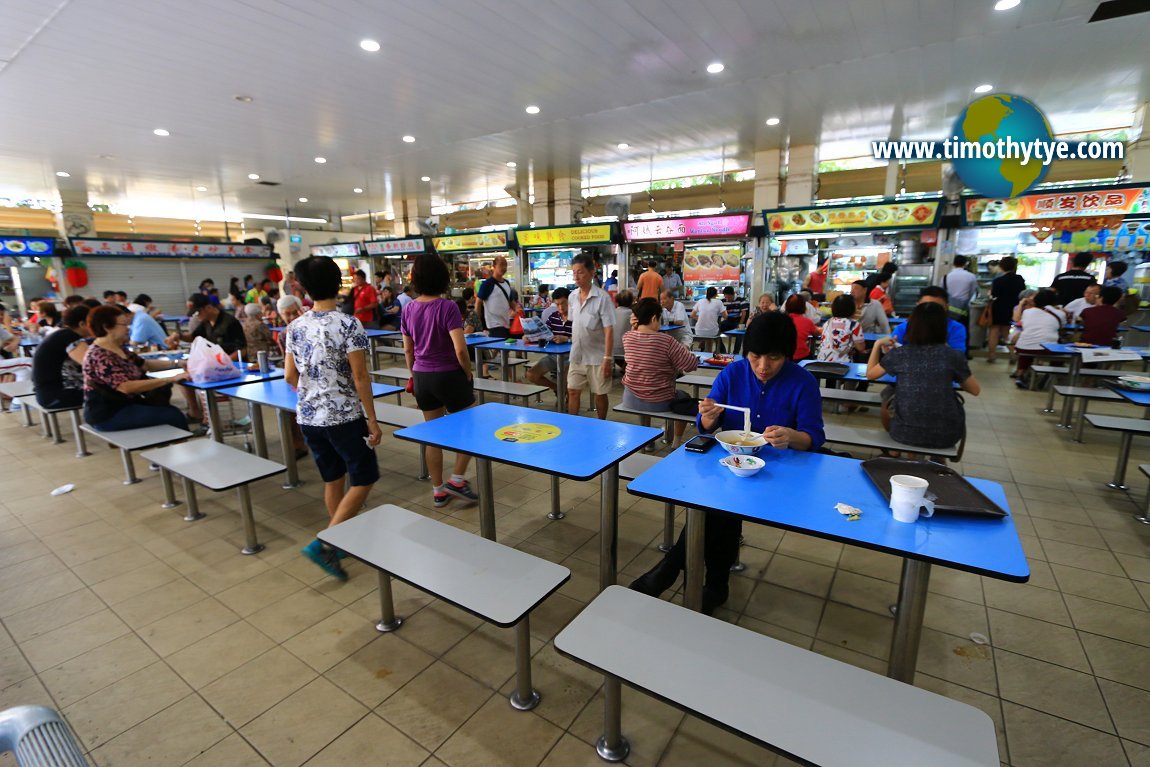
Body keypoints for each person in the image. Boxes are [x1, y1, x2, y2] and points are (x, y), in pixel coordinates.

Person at [629, 312, 825, 614]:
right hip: (730, 465)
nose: (762, 366)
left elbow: (814, 437)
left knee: (715, 510)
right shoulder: (733, 374)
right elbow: (706, 423)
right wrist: (707, 418)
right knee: (717, 508)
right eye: (755, 356)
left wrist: (792, 437)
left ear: (787, 354)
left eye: (773, 358)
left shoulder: (803, 382)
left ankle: (672, 570)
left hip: (779, 472)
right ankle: (715, 584)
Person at [286, 256, 382, 581]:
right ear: (338, 284)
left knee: (333, 477)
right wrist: (372, 418)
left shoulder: (295, 326)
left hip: (309, 418)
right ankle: (325, 543)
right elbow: (360, 375)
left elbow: (290, 376)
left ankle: (338, 540)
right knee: (365, 477)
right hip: (344, 417)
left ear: (304, 287)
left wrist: (315, 393)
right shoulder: (348, 324)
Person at [400, 252, 480, 508]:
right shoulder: (447, 307)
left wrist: (414, 374)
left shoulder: (409, 308)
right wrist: (467, 373)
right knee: (470, 427)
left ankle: (438, 490)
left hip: (422, 376)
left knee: (431, 434)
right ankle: (457, 479)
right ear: (443, 277)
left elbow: (408, 350)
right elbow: (460, 349)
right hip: (449, 375)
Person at [867, 302, 979, 450]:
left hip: (903, 432)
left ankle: (895, 453)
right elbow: (975, 390)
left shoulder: (901, 353)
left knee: (889, 397)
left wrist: (877, 345)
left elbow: (870, 375)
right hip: (945, 436)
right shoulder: (953, 356)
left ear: (912, 325)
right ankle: (934, 460)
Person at [82, 305, 188, 431]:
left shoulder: (118, 347)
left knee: (169, 411)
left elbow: (145, 364)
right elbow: (126, 387)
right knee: (173, 416)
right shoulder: (99, 355)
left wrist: (178, 363)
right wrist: (170, 379)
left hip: (125, 405)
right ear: (106, 327)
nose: (128, 329)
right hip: (108, 413)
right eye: (124, 325)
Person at [622, 298, 700, 447]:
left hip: (630, 397)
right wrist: (686, 352)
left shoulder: (627, 337)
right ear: (653, 318)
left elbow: (638, 342)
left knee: (644, 393)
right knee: (685, 397)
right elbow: (689, 365)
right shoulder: (666, 341)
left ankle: (647, 443)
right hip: (659, 401)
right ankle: (676, 443)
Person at [567, 253, 615, 419]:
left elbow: (609, 329)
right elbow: (574, 324)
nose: (576, 276)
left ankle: (601, 423)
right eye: (574, 272)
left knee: (599, 394)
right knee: (572, 390)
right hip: (577, 355)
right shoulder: (572, 297)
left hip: (597, 357)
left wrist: (607, 358)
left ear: (591, 273)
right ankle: (572, 423)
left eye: (580, 272)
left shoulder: (602, 298)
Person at [32, 305, 90, 409]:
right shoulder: (70, 337)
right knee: (116, 393)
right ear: (82, 324)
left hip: (47, 395)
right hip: (57, 396)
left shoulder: (61, 334)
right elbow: (92, 365)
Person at [1011, 290, 1065, 386]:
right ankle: (1051, 375)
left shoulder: (1027, 312)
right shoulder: (1060, 313)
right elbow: (1061, 327)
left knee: (1029, 346)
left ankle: (1020, 374)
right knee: (1060, 350)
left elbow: (1018, 321)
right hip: (1047, 349)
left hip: (1022, 348)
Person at [890, 286, 967, 353]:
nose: (930, 311)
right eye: (925, 306)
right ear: (917, 305)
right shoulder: (903, 328)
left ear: (947, 307)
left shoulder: (956, 328)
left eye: (937, 307)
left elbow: (958, 357)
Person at [167, 294, 246, 359]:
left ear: (208, 308)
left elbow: (242, 350)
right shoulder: (206, 322)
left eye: (197, 313)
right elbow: (193, 337)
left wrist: (225, 361)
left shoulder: (230, 322)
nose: (196, 316)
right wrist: (178, 335)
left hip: (232, 365)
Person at [526, 287, 571, 395]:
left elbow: (584, 338)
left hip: (572, 357)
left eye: (563, 303)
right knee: (531, 375)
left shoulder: (578, 317)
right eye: (557, 304)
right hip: (554, 356)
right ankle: (558, 389)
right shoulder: (553, 317)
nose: (561, 307)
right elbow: (545, 333)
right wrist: (529, 336)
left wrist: (567, 339)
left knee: (566, 380)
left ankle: (564, 396)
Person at [986, 256, 1028, 363]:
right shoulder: (1019, 279)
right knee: (1006, 332)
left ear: (1001, 267)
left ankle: (992, 355)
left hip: (998, 307)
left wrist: (989, 294)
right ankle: (1013, 355)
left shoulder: (998, 280)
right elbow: (1022, 294)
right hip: (1012, 308)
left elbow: (994, 295)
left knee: (994, 331)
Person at [477, 256, 518, 338]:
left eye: (506, 265)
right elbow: (478, 303)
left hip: (506, 322)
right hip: (493, 324)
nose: (504, 267)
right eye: (501, 265)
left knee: (506, 347)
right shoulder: (487, 284)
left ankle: (490, 350)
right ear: (494, 266)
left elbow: (510, 301)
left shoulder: (506, 283)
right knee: (502, 346)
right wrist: (478, 322)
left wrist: (518, 310)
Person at [817, 295, 865, 363]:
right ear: (851, 308)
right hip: (842, 364)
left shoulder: (827, 322)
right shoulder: (853, 324)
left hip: (822, 361)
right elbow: (861, 348)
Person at [942, 255, 978, 333]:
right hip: (963, 308)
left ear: (953, 263)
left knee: (947, 328)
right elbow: (972, 293)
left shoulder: (945, 277)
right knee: (962, 329)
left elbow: (941, 292)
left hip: (948, 308)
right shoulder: (971, 276)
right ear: (965, 264)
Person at [691, 287, 725, 352]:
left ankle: (703, 343)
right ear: (716, 294)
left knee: (708, 331)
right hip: (712, 332)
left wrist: (701, 318)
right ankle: (711, 352)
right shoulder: (719, 302)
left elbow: (692, 315)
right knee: (713, 332)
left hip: (698, 331)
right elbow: (725, 316)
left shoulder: (700, 301)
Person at [784, 294, 817, 361]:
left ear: (786, 306)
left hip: (784, 356)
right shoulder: (807, 322)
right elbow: (816, 333)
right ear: (803, 307)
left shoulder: (781, 320)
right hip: (802, 356)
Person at [611, 290, 635, 364]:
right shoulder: (632, 314)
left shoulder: (611, 312)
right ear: (631, 301)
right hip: (625, 351)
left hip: (610, 350)